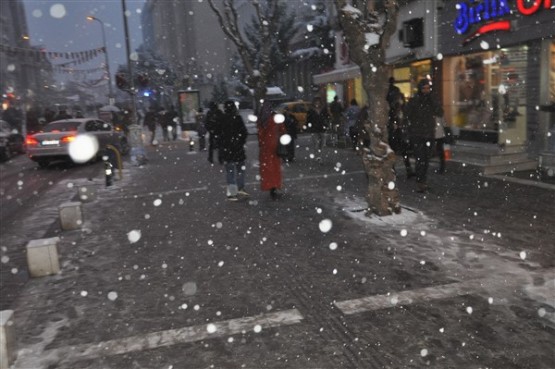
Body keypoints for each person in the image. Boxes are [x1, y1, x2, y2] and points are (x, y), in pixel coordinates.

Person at [405, 79, 444, 193]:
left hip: (429, 134)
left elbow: (440, 112)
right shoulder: (414, 101)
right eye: (424, 88)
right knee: (420, 159)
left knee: (426, 159)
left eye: (428, 88)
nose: (426, 90)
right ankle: (420, 182)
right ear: (420, 89)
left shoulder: (431, 100)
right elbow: (407, 115)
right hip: (417, 134)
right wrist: (408, 131)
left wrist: (433, 100)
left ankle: (422, 181)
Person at [219, 100, 249, 201]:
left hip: (227, 149)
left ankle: (232, 193)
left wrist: (222, 146)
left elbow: (219, 135)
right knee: (240, 170)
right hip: (238, 149)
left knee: (230, 171)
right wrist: (240, 142)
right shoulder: (238, 118)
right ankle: (241, 188)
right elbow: (244, 132)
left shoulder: (222, 119)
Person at [257, 101, 287, 200]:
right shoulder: (275, 117)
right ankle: (275, 187)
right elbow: (283, 129)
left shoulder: (261, 119)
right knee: (275, 168)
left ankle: (270, 187)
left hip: (265, 148)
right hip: (275, 145)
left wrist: (261, 144)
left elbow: (260, 135)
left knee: (267, 169)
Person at [386, 78, 414, 178]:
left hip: (394, 128)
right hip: (395, 128)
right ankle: (407, 169)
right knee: (401, 150)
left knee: (395, 150)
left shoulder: (389, 93)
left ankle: (396, 170)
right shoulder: (393, 94)